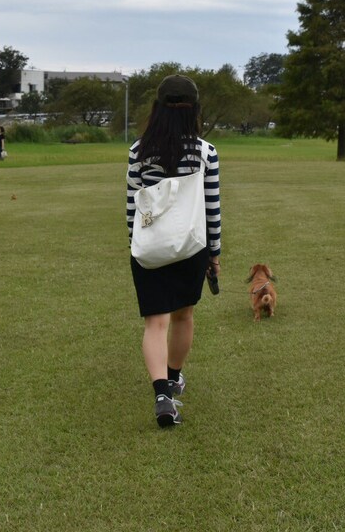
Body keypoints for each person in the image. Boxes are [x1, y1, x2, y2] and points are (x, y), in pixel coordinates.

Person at [126, 75, 221, 428]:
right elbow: (212, 208)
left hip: (150, 248)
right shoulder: (205, 152)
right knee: (183, 316)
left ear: (158, 107)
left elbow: (132, 206)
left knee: (155, 323)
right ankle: (174, 377)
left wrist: (134, 243)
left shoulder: (139, 151)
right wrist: (214, 253)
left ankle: (162, 395)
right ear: (194, 109)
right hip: (190, 246)